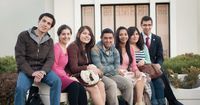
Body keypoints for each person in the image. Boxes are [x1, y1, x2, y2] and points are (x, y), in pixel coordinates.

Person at [14, 13, 61, 105]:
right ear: (38, 21)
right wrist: (32, 72)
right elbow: (20, 58)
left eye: (48, 23)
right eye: (44, 21)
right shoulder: (23, 35)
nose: (45, 24)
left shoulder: (49, 41)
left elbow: (50, 59)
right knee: (20, 88)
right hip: (26, 71)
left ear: (50, 27)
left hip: (42, 70)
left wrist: (42, 72)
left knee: (56, 81)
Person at [140, 16, 183, 105]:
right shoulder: (137, 38)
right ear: (141, 25)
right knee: (161, 78)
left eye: (149, 25)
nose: (147, 27)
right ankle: (172, 101)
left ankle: (172, 101)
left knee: (163, 75)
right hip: (143, 67)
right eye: (145, 25)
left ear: (152, 25)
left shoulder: (157, 39)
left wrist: (159, 64)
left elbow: (160, 56)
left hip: (155, 66)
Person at [91, 28, 133, 105]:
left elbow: (117, 68)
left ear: (113, 38)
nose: (108, 40)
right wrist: (112, 67)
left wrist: (110, 69)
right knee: (112, 84)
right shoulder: (95, 50)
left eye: (110, 38)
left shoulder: (115, 50)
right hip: (100, 76)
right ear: (101, 38)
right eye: (105, 38)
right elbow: (100, 69)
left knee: (128, 84)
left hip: (112, 75)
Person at [67, 26, 105, 105]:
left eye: (89, 34)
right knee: (94, 88)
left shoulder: (88, 48)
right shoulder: (73, 46)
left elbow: (89, 64)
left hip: (86, 76)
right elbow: (73, 68)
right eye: (84, 33)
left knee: (101, 84)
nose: (87, 36)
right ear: (78, 34)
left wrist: (95, 69)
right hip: (75, 76)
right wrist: (88, 67)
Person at [52, 24, 88, 105]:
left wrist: (69, 77)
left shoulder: (66, 48)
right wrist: (67, 77)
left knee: (81, 87)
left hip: (64, 76)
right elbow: (54, 68)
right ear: (59, 35)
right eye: (63, 34)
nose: (66, 36)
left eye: (68, 34)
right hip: (56, 78)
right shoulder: (56, 47)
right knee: (74, 86)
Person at [115, 26, 151, 105]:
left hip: (126, 72)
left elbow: (133, 65)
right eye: (121, 35)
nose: (124, 36)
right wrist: (116, 70)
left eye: (125, 34)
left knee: (141, 75)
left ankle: (139, 102)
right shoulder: (114, 48)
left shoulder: (130, 48)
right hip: (117, 73)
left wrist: (137, 71)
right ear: (117, 36)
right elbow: (110, 63)